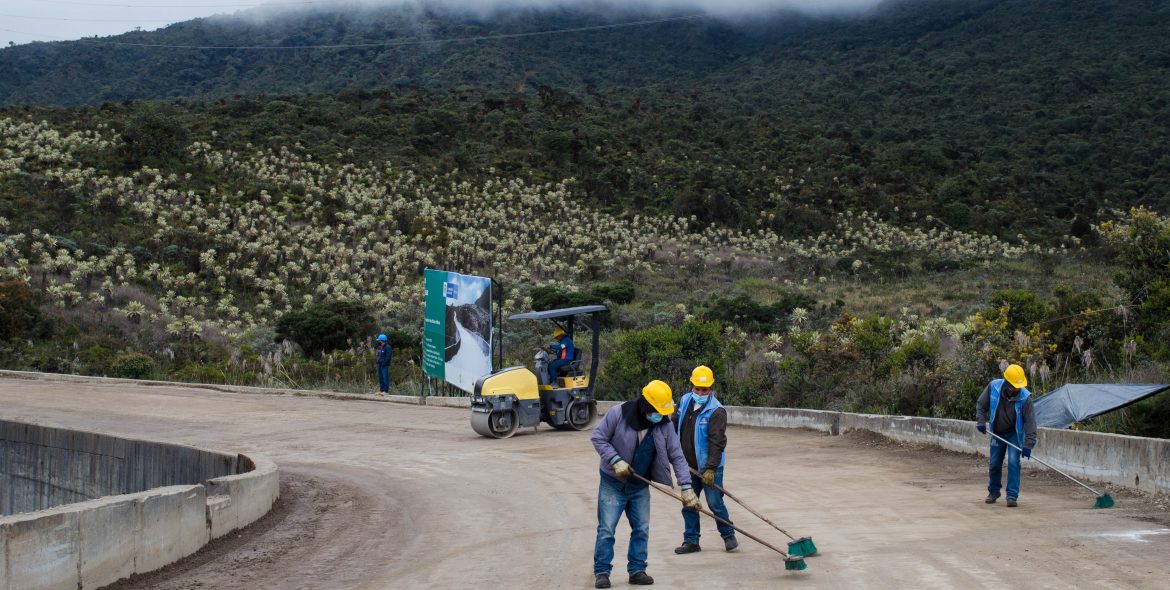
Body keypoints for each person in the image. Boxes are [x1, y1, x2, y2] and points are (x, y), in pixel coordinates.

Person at [590, 380, 699, 589]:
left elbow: (676, 455)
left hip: (639, 485)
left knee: (641, 529)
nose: (661, 415)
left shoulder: (664, 424)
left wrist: (686, 487)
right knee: (607, 529)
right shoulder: (618, 414)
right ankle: (602, 572)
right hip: (613, 483)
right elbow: (598, 437)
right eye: (657, 411)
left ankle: (637, 570)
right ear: (646, 406)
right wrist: (615, 460)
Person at [673, 365, 737, 554]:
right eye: (697, 389)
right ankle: (691, 541)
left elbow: (717, 443)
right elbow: (674, 426)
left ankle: (728, 535)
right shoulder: (684, 401)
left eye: (705, 389)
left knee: (715, 502)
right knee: (689, 502)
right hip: (688, 466)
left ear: (711, 388)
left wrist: (710, 469)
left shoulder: (716, 411)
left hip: (711, 467)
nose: (700, 392)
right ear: (691, 385)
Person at [976, 363, 1037, 508]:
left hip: (1014, 434)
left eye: (1018, 386)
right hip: (997, 432)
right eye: (1013, 386)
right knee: (994, 463)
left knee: (1013, 462)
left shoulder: (1025, 398)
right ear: (1007, 382)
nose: (1016, 389)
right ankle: (994, 491)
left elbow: (1030, 423)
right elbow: (981, 404)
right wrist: (981, 421)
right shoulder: (994, 387)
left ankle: (1012, 496)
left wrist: (1028, 444)